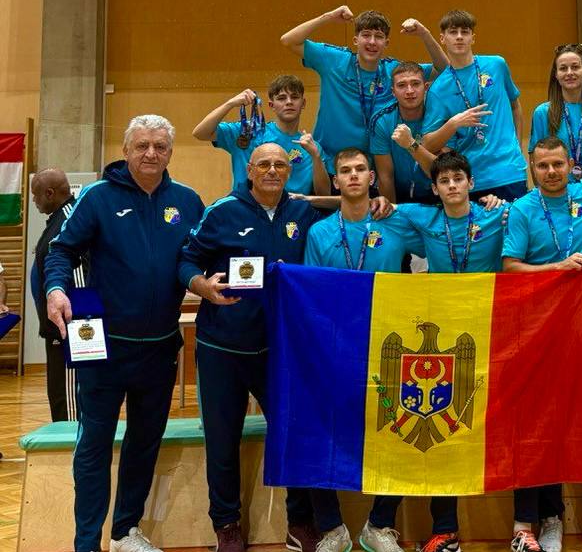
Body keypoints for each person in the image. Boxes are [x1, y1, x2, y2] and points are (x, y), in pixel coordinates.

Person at [44, 115, 205, 552]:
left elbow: (203, 254)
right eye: (142, 145)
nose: (151, 153)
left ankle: (124, 533)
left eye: (160, 146)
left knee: (144, 443)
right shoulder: (98, 197)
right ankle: (86, 543)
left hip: (159, 350)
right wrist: (56, 289)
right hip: (102, 348)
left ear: (170, 152)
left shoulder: (188, 201)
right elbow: (61, 250)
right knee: (93, 445)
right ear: (126, 150)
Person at [177, 143, 322, 552]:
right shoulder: (222, 210)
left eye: (280, 164)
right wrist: (202, 286)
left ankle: (300, 521)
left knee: (294, 434)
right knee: (223, 440)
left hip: (281, 349)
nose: (273, 170)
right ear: (250, 170)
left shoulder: (304, 213)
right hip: (222, 346)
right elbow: (186, 261)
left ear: (289, 170)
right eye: (264, 165)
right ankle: (226, 525)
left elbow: (345, 214)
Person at [501, 137, 582, 552]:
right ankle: (552, 519)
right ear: (532, 168)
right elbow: (511, 267)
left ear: (571, 164)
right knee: (549, 426)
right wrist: (558, 267)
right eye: (543, 166)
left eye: (557, 164)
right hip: (546, 332)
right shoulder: (523, 209)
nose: (551, 172)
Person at [304, 148, 425, 552]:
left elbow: (446, 227)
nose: (353, 176)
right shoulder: (320, 232)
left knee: (401, 431)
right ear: (335, 180)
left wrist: (494, 205)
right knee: (321, 431)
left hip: (389, 346)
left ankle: (380, 524)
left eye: (360, 170)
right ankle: (332, 528)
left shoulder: (396, 222)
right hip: (336, 348)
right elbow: (312, 294)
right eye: (345, 171)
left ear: (372, 178)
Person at [280, 6, 448, 163]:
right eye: (366, 35)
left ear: (386, 43)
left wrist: (424, 33)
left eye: (379, 36)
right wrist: (329, 16)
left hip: (373, 167)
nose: (372, 42)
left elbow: (444, 69)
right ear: (356, 40)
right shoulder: (334, 60)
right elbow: (289, 41)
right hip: (328, 163)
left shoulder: (395, 72)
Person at [422, 9, 528, 202]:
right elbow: (427, 144)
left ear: (473, 38)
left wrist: (518, 147)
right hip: (471, 179)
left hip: (509, 171)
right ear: (443, 38)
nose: (459, 37)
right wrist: (454, 123)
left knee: (514, 222)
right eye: (453, 32)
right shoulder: (438, 89)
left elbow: (515, 105)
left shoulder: (497, 65)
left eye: (465, 32)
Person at [191, 75, 330, 195]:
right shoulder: (248, 131)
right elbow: (200, 133)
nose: (289, 102)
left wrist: (316, 156)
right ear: (271, 105)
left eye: (294, 97)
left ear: (303, 103)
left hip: (290, 213)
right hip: (246, 209)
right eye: (281, 98)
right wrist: (230, 103)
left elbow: (323, 194)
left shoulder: (312, 148)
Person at [30, 168, 88, 422]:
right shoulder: (58, 219)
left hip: (67, 332)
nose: (34, 200)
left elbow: (79, 279)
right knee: (59, 397)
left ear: (50, 193)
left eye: (36, 195)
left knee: (68, 404)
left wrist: (76, 334)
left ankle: (73, 447)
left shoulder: (68, 222)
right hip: (57, 331)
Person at [529, 44, 582, 184]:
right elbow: (535, 161)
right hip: (558, 193)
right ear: (556, 74)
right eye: (563, 68)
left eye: (575, 67)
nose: (569, 73)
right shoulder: (542, 113)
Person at [370, 61, 437, 203]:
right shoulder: (382, 121)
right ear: (393, 92)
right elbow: (385, 177)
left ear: (426, 87)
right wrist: (393, 213)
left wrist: (411, 145)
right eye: (401, 85)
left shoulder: (438, 116)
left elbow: (442, 172)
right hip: (399, 197)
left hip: (436, 195)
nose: (409, 91)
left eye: (415, 84)